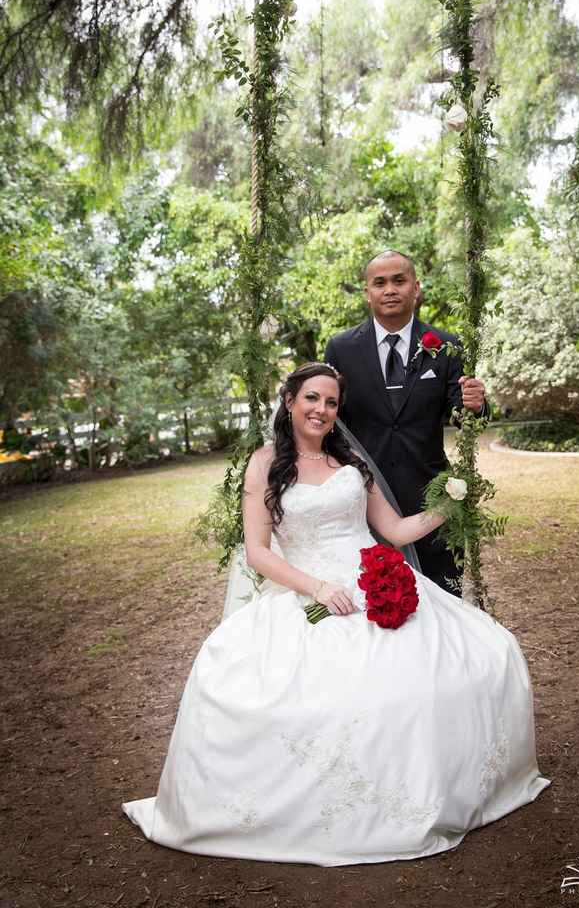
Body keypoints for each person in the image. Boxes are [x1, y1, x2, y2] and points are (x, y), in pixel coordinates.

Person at [122, 363, 550, 866]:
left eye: (330, 402)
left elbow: (395, 530)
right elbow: (259, 552)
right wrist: (317, 588)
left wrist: (449, 501)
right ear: (289, 401)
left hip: (377, 579)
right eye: (311, 398)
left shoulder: (350, 463)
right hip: (306, 592)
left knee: (471, 659)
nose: (321, 410)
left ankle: (421, 788)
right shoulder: (263, 464)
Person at [325, 249, 489, 597]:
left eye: (399, 280)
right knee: (378, 604)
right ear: (367, 291)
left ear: (416, 287)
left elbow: (464, 416)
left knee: (445, 602)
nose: (390, 290)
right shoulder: (340, 349)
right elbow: (328, 422)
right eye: (379, 283)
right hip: (365, 501)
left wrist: (476, 405)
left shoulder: (447, 346)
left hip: (430, 498)